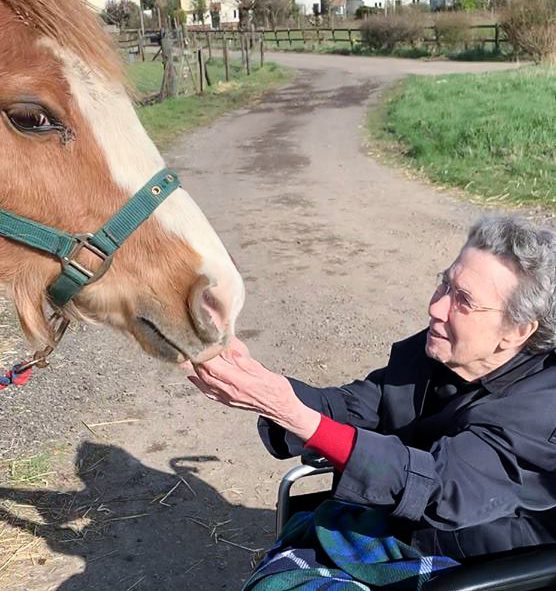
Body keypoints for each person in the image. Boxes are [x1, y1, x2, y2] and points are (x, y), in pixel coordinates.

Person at [187, 215, 556, 590]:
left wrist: (295, 414)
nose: (437, 308)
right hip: (403, 530)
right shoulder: (439, 355)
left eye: (463, 300)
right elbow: (353, 406)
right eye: (445, 283)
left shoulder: (542, 407)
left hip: (480, 566)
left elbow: (442, 485)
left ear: (517, 331)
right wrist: (259, 383)